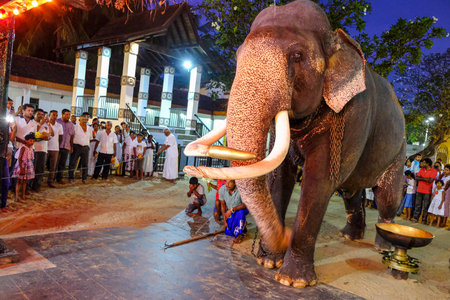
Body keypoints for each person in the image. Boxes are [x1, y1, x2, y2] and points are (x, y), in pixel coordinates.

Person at [32, 109, 54, 192]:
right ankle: (29, 186)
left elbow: (52, 134)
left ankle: (37, 186)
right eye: (39, 114)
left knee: (40, 169)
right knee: (32, 168)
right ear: (35, 114)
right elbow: (34, 134)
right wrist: (40, 124)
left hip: (43, 149)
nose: (41, 116)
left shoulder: (44, 126)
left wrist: (48, 124)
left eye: (42, 114)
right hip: (35, 149)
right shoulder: (32, 123)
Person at [68, 114, 92, 183]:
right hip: (76, 146)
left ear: (87, 120)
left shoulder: (89, 128)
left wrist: (87, 146)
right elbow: (71, 137)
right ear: (79, 120)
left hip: (85, 147)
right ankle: (71, 177)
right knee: (72, 162)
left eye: (86, 119)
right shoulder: (75, 127)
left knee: (85, 163)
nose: (84, 121)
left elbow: (90, 138)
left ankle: (84, 178)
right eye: (83, 119)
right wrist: (71, 146)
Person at [413, 158, 438, 224]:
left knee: (425, 206)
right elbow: (416, 178)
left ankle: (424, 220)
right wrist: (425, 179)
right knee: (417, 205)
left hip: (428, 191)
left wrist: (421, 178)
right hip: (419, 190)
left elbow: (430, 180)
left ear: (428, 164)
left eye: (424, 163)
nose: (422, 164)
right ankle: (416, 218)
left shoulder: (434, 171)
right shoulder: (421, 169)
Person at [12, 132, 35, 201]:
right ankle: (16, 196)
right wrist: (21, 168)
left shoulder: (31, 148)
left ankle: (23, 195)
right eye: (30, 140)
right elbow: (19, 158)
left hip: (28, 165)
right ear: (26, 140)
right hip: (22, 165)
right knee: (19, 181)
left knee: (25, 181)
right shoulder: (23, 148)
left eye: (33, 141)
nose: (32, 142)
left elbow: (31, 158)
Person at [56, 109, 75, 184]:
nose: (68, 116)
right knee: (55, 163)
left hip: (66, 146)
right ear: (62, 114)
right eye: (66, 114)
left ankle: (59, 178)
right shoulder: (57, 122)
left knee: (62, 164)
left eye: (69, 115)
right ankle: (52, 178)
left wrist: (71, 146)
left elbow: (72, 136)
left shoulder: (71, 124)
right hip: (57, 146)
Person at [47, 110, 63, 188]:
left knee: (53, 167)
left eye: (56, 115)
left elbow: (60, 137)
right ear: (49, 115)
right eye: (53, 115)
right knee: (42, 166)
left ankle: (50, 181)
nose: (55, 116)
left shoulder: (59, 125)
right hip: (45, 147)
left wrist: (57, 145)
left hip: (55, 148)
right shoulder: (45, 124)